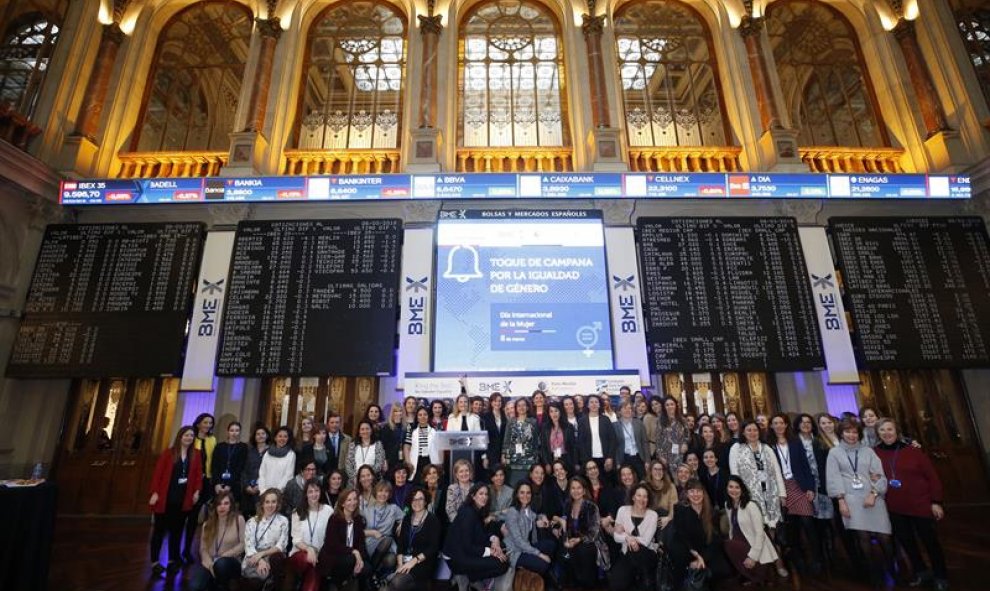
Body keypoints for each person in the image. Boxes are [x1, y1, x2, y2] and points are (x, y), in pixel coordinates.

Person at [874, 418, 947, 590]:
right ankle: (921, 572)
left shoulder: (914, 451)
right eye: (882, 430)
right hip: (895, 507)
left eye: (890, 429)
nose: (886, 433)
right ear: (878, 433)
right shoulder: (874, 453)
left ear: (896, 431)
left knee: (930, 542)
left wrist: (936, 502)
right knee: (908, 543)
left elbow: (932, 477)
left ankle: (941, 575)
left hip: (920, 505)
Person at [827, 417, 894, 588]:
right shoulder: (834, 453)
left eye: (854, 431)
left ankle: (893, 570)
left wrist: (874, 493)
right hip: (851, 499)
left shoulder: (868, 451)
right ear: (841, 433)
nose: (851, 435)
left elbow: (879, 475)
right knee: (862, 538)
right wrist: (841, 501)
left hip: (873, 496)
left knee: (884, 537)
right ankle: (873, 574)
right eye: (847, 431)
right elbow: (833, 478)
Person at [769, 413, 822, 574]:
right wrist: (778, 494)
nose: (778, 425)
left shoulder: (795, 442)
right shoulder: (768, 445)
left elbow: (806, 466)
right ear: (771, 426)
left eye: (781, 423)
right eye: (775, 423)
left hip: (799, 486)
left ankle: (816, 559)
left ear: (786, 425)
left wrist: (810, 488)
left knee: (808, 523)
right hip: (782, 488)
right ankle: (799, 560)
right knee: (792, 527)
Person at [149, 426, 203, 576]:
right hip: (165, 499)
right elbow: (157, 474)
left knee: (177, 532)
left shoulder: (196, 455)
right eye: (186, 435)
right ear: (180, 436)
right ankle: (154, 562)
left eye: (192, 436)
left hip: (182, 500)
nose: (189, 438)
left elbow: (199, 475)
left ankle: (173, 560)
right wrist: (154, 493)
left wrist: (197, 491)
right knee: (159, 531)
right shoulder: (168, 453)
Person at [443, 483, 510, 586]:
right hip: (456, 557)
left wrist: (494, 539)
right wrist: (491, 552)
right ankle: (470, 577)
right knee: (502, 565)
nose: (484, 497)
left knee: (502, 547)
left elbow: (480, 534)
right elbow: (468, 547)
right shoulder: (468, 513)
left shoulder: (477, 510)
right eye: (481, 494)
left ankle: (472, 576)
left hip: (466, 550)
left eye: (486, 494)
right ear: (473, 496)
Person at [667, 479, 726, 587]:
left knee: (721, 568)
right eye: (692, 491)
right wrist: (695, 555)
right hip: (687, 549)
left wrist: (702, 557)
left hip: (704, 550)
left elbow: (716, 540)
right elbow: (681, 534)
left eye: (698, 491)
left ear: (703, 493)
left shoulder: (712, 513)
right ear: (687, 494)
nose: (695, 494)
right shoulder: (680, 509)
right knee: (678, 551)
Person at [729, 420, 787, 530]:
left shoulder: (767, 448)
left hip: (770, 493)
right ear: (743, 433)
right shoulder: (736, 448)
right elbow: (734, 475)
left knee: (772, 526)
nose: (752, 433)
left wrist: (782, 494)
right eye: (749, 430)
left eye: (755, 430)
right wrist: (737, 494)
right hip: (749, 494)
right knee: (756, 527)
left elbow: (777, 472)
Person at [503, 481, 559, 588]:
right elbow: (518, 542)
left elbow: (535, 516)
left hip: (526, 546)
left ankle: (541, 577)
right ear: (517, 494)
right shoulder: (513, 512)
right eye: (522, 492)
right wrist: (539, 554)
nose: (525, 496)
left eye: (528, 493)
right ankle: (547, 584)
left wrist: (541, 517)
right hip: (515, 552)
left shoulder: (527, 509)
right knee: (543, 564)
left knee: (551, 544)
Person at [723, 476, 777, 585]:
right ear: (726, 488)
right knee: (727, 545)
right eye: (731, 487)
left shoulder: (750, 505)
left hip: (755, 548)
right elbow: (732, 528)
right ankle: (748, 575)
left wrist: (753, 556)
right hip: (739, 544)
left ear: (742, 489)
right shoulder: (728, 505)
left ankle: (758, 575)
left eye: (737, 487)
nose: (733, 490)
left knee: (728, 544)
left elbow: (759, 533)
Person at [555, 476, 607, 588]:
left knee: (583, 551)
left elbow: (594, 533)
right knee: (562, 549)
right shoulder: (568, 505)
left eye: (579, 488)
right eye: (573, 488)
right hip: (573, 539)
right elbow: (565, 527)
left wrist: (578, 540)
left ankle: (587, 584)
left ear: (584, 490)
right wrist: (566, 539)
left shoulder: (592, 506)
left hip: (590, 541)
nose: (576, 491)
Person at [318, 489, 373, 591]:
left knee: (367, 568)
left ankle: (352, 582)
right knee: (350, 559)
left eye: (355, 499)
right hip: (334, 557)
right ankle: (336, 583)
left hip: (351, 557)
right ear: (342, 503)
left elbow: (360, 543)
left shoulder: (358, 519)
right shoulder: (334, 519)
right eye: (349, 500)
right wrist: (354, 552)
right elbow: (332, 545)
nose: (353, 503)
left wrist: (360, 559)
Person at [388, 486, 441, 591]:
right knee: (393, 583)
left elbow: (433, 548)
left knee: (397, 583)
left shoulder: (432, 520)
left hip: (423, 562)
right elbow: (401, 544)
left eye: (420, 499)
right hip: (406, 560)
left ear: (425, 501)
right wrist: (400, 564)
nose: (417, 502)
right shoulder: (407, 519)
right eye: (414, 499)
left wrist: (414, 561)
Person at [188, 491, 243, 591]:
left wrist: (224, 555)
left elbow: (243, 544)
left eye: (226, 503)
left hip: (231, 561)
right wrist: (210, 565)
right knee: (194, 587)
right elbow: (203, 549)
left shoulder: (238, 520)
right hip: (210, 562)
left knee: (221, 565)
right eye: (219, 504)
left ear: (231, 505)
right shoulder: (207, 524)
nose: (222, 507)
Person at [609, 484, 658, 591]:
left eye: (645, 496)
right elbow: (616, 537)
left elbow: (645, 541)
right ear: (633, 497)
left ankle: (643, 578)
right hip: (626, 553)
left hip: (647, 554)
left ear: (648, 499)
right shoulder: (622, 510)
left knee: (636, 550)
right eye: (639, 495)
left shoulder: (653, 515)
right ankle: (639, 577)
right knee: (616, 585)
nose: (642, 499)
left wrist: (627, 536)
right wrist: (627, 539)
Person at [288, 479, 332, 591]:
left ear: (320, 492)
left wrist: (317, 552)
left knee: (313, 578)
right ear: (306, 494)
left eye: (316, 490)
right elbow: (296, 540)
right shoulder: (297, 512)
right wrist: (309, 549)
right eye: (310, 491)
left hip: (319, 557)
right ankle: (298, 576)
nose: (314, 494)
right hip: (299, 555)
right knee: (307, 558)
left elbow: (330, 538)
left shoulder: (328, 511)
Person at [242, 488, 289, 588]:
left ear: (278, 504)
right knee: (255, 581)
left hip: (273, 555)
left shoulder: (283, 521)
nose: (270, 505)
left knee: (276, 559)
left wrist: (262, 554)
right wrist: (260, 560)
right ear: (262, 504)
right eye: (267, 502)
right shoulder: (252, 522)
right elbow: (249, 545)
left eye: (273, 502)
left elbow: (281, 545)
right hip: (254, 556)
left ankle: (272, 582)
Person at [187, 413, 217, 561]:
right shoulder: (192, 438)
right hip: (192, 481)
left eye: (210, 423)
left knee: (207, 516)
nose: (208, 425)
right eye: (205, 422)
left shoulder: (212, 440)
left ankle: (205, 550)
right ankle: (186, 549)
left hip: (208, 481)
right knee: (192, 516)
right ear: (198, 423)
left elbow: (213, 460)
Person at [362, 481, 404, 587]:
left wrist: (401, 524)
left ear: (389, 494)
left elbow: (406, 519)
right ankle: (373, 575)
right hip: (370, 543)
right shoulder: (366, 511)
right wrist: (371, 532)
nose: (383, 494)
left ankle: (372, 574)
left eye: (386, 491)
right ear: (376, 492)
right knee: (388, 540)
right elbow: (357, 531)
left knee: (391, 559)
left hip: (386, 545)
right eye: (380, 491)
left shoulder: (393, 509)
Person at [577, 395, 617, 480]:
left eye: (596, 402)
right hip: (589, 459)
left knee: (607, 483)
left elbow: (612, 439)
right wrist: (587, 461)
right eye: (591, 402)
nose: (594, 404)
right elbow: (581, 443)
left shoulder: (605, 419)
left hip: (605, 459)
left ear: (599, 405)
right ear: (587, 405)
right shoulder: (582, 421)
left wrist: (610, 457)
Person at [502, 398, 540, 487]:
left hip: (529, 458)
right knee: (513, 484)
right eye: (519, 405)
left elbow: (535, 441)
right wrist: (503, 454)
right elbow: (506, 440)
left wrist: (536, 455)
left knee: (528, 484)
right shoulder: (511, 422)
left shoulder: (533, 422)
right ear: (516, 408)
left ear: (527, 407)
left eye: (523, 405)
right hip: (513, 458)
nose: (521, 407)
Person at [212, 421, 248, 509]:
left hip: (234, 484)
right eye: (232, 430)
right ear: (228, 431)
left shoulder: (243, 447)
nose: (234, 433)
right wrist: (217, 484)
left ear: (240, 432)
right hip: (219, 484)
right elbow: (214, 465)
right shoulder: (220, 446)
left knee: (232, 510)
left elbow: (240, 467)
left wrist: (229, 485)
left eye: (237, 430)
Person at [613, 401, 649, 480]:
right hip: (624, 458)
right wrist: (617, 462)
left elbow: (645, 442)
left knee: (642, 479)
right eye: (625, 408)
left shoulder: (639, 423)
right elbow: (614, 446)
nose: (627, 410)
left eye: (629, 408)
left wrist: (647, 460)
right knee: (626, 481)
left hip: (638, 457)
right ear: (619, 411)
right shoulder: (614, 426)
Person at [404, 406, 440, 483]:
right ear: (417, 417)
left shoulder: (435, 430)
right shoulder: (411, 429)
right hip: (417, 462)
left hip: (430, 461)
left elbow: (440, 448)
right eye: (420, 415)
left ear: (428, 416)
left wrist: (440, 463)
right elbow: (407, 447)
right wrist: (408, 462)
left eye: (425, 414)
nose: (422, 417)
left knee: (431, 484)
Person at [540, 402, 577, 475]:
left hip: (566, 459)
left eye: (556, 410)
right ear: (548, 414)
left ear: (560, 412)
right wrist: (547, 463)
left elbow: (574, 447)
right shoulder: (545, 427)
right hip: (551, 459)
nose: (554, 414)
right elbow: (543, 447)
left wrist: (575, 463)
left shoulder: (569, 427)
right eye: (551, 411)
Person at [242, 424, 270, 517]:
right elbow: (244, 470)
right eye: (258, 434)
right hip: (248, 490)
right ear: (254, 436)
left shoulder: (271, 451)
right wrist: (246, 486)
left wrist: (260, 485)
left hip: (263, 490)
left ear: (267, 435)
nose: (261, 436)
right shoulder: (249, 451)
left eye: (263, 433)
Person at [259, 426, 296, 493]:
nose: (282, 439)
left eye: (285, 436)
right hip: (264, 492)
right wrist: (262, 490)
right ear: (275, 438)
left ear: (288, 439)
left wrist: (277, 492)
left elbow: (288, 475)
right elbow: (262, 472)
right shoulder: (267, 453)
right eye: (280, 436)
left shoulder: (291, 454)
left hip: (280, 493)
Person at [656, 396, 688, 472]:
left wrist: (685, 444)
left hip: (680, 454)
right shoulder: (660, 421)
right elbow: (658, 440)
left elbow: (687, 435)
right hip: (666, 456)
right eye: (667, 405)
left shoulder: (682, 420)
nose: (670, 406)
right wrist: (661, 456)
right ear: (664, 407)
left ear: (676, 405)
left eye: (671, 404)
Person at [645, 460, 677, 528]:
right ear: (650, 471)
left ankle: (660, 539)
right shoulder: (644, 485)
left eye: (660, 469)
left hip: (666, 519)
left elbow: (673, 507)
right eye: (655, 469)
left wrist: (668, 518)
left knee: (664, 513)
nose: (658, 472)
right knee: (659, 512)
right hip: (648, 519)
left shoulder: (671, 486)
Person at [481, 392, 508, 476]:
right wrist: (485, 457)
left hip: (503, 453)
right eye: (495, 401)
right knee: (491, 476)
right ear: (491, 402)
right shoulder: (485, 417)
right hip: (490, 453)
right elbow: (482, 439)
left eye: (499, 401)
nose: (497, 403)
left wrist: (505, 454)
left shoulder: (505, 416)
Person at [445, 458, 475, 523]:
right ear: (456, 475)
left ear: (470, 472)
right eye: (461, 471)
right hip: (458, 524)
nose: (464, 474)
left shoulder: (476, 488)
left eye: (466, 470)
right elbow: (450, 510)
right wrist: (461, 523)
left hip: (474, 523)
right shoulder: (452, 488)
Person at [380, 405, 406, 474]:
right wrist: (384, 460)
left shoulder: (405, 427)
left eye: (400, 411)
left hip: (401, 460)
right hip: (389, 460)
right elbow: (382, 446)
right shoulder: (387, 427)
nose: (398, 413)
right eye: (396, 411)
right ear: (392, 413)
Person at [326, 413, 352, 477]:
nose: (334, 425)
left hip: (342, 474)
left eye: (337, 422)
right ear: (328, 424)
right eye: (332, 422)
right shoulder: (323, 438)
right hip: (326, 473)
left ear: (340, 424)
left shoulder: (348, 439)